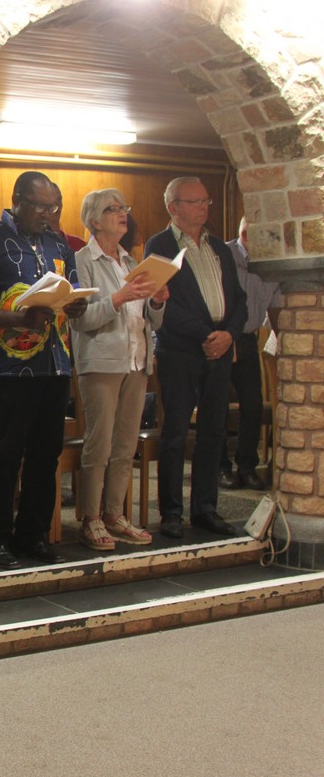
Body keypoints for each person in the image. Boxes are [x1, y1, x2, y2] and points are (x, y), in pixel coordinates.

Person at [0, 171, 88, 570]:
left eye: (53, 207)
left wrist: (76, 305)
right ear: (17, 201)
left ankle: (32, 535)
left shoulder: (58, 244)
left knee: (46, 454)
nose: (48, 214)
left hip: (55, 363)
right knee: (7, 453)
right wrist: (17, 319)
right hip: (7, 367)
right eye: (40, 206)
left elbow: (71, 289)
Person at [146, 176, 247, 539]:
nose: (203, 207)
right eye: (195, 202)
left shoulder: (218, 246)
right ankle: (171, 512)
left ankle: (205, 508)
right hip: (181, 351)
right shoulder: (159, 245)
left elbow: (239, 300)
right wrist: (206, 335)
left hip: (220, 347)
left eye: (206, 201)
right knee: (175, 432)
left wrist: (229, 334)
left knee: (213, 431)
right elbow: (164, 303)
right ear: (173, 207)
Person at [69, 189, 168, 551]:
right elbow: (80, 320)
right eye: (113, 209)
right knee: (99, 443)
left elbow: (151, 320)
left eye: (124, 207)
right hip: (101, 362)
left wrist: (156, 301)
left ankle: (114, 513)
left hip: (136, 360)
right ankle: (90, 517)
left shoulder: (130, 262)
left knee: (126, 444)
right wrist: (118, 298)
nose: (123, 213)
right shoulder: (81, 261)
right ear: (94, 220)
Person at [219, 216, 281, 491]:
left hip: (246, 340)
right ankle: (221, 468)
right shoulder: (223, 254)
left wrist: (284, 341)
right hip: (221, 337)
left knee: (253, 404)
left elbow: (274, 307)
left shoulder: (271, 261)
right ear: (244, 235)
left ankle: (247, 467)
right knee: (218, 405)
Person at [50, 182, 86, 251]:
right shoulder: (33, 247)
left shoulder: (79, 245)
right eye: (51, 201)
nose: (56, 205)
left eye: (59, 199)